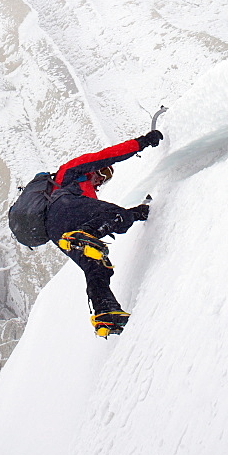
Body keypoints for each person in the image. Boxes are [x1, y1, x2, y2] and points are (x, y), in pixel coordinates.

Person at [45, 129, 164, 336]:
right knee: (114, 214)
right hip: (62, 208)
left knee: (96, 266)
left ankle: (105, 313)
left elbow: (107, 220)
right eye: (102, 174)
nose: (101, 181)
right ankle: (83, 234)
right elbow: (108, 155)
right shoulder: (69, 173)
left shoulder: (86, 197)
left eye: (105, 180)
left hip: (60, 233)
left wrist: (135, 213)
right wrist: (142, 142)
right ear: (94, 171)